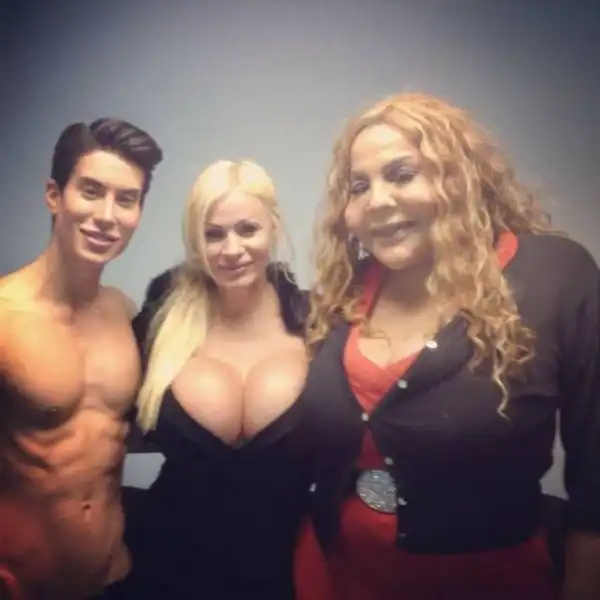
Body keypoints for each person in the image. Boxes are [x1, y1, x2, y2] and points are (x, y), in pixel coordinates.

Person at [293, 93, 600, 600]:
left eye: (402, 174)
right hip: (334, 574)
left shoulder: (554, 276)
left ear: (459, 177)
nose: (378, 200)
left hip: (490, 581)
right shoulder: (342, 294)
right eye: (359, 186)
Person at [126, 159, 310, 599]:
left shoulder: (317, 324)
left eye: (248, 229)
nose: (231, 249)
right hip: (167, 569)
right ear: (197, 240)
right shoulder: (159, 323)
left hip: (287, 571)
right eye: (214, 234)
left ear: (274, 228)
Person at [0, 118, 163, 600]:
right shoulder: (5, 316)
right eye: (91, 191)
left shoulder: (124, 313)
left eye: (126, 199)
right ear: (54, 195)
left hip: (114, 576)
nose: (107, 216)